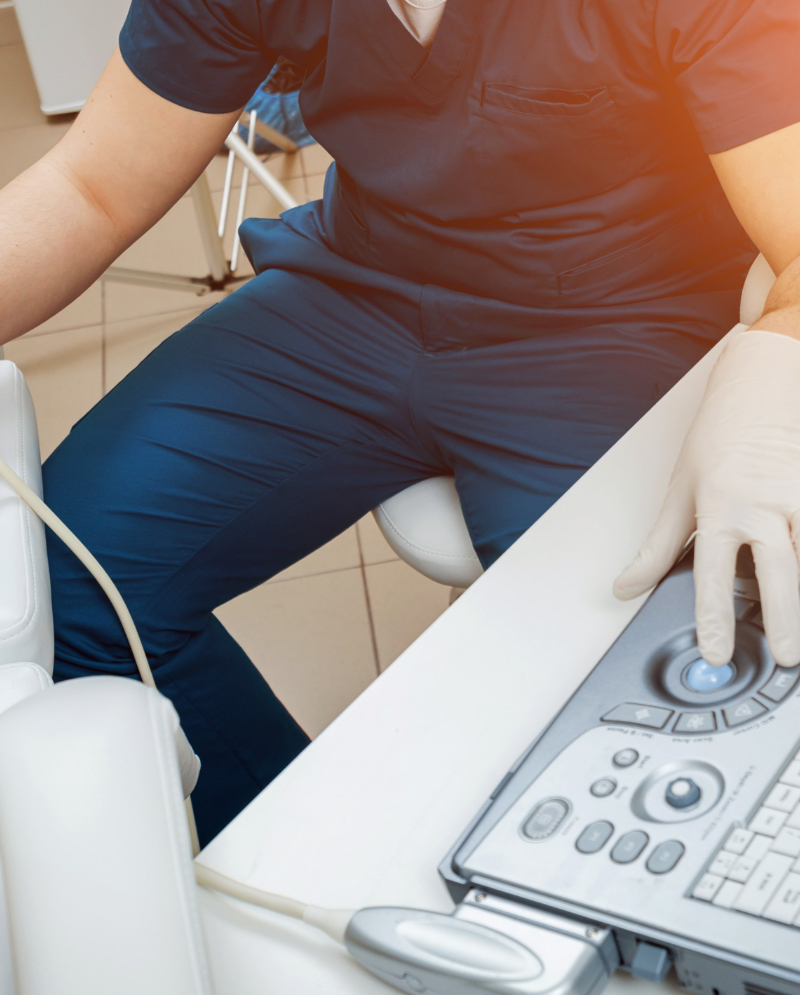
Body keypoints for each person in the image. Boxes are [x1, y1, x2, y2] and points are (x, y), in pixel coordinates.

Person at [2, 0, 800, 845]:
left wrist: (777, 353)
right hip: (353, 291)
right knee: (52, 596)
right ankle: (274, 854)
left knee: (660, 684)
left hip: (619, 324)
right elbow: (90, 187)